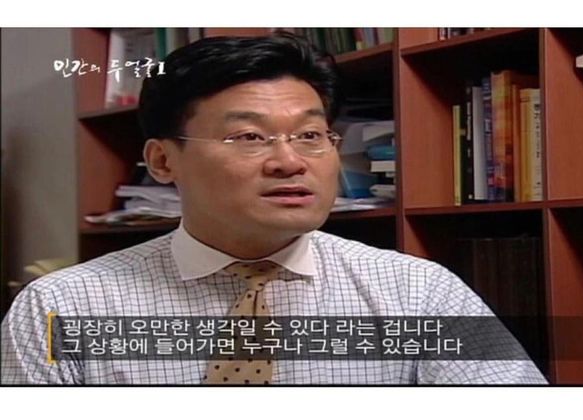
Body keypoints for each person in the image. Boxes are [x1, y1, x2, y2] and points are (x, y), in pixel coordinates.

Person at [1, 32, 547, 385]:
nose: (289, 161)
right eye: (248, 137)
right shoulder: (62, 308)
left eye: (310, 135)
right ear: (163, 160)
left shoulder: (417, 293)